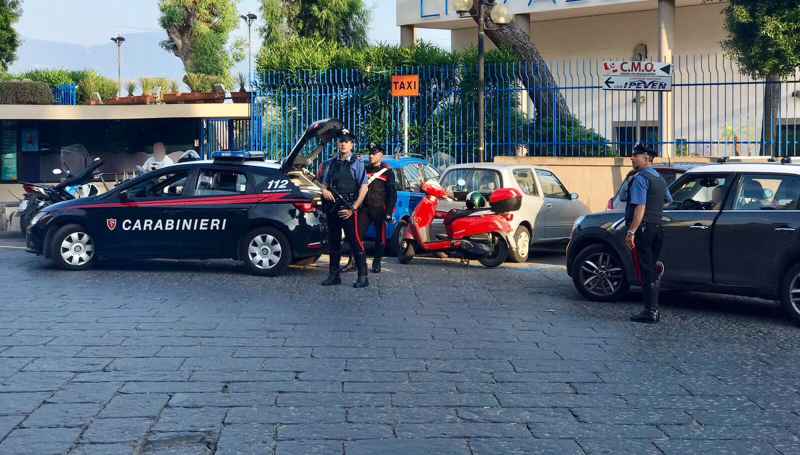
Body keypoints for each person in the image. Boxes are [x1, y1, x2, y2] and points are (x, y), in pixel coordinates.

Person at [624, 144, 673, 324]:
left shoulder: (640, 179)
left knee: (644, 269)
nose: (631, 158)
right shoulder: (658, 178)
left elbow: (640, 206)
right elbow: (668, 200)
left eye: (635, 155)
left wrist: (631, 232)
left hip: (643, 229)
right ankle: (653, 309)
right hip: (657, 227)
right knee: (650, 268)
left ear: (646, 158)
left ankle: (650, 311)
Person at [320, 129, 370, 288]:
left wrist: (353, 208)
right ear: (337, 143)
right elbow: (323, 183)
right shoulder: (331, 162)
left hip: (349, 207)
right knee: (333, 242)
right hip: (332, 207)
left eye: (347, 141)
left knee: (355, 242)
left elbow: (364, 188)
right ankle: (334, 276)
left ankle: (363, 277)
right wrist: (324, 190)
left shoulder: (357, 163)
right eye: (341, 141)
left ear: (352, 145)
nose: (343, 144)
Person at [358, 143, 397, 274]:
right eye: (370, 153)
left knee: (380, 238)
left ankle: (377, 262)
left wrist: (389, 212)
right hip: (364, 208)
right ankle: (357, 261)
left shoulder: (388, 172)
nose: (370, 156)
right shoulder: (364, 169)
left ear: (380, 155)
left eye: (373, 153)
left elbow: (392, 193)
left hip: (379, 208)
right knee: (358, 235)